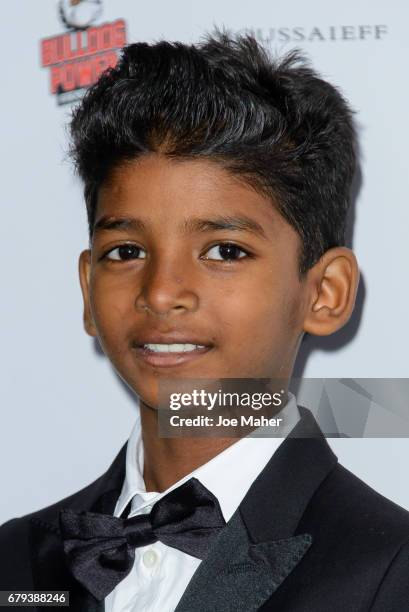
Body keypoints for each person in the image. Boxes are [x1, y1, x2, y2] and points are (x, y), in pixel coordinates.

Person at [1, 31, 409, 612]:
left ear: (324, 293)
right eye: (126, 252)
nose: (162, 293)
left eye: (224, 251)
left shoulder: (389, 572)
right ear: (87, 291)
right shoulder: (16, 559)